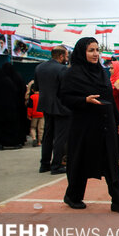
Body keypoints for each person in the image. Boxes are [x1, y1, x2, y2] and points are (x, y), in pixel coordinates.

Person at [59, 37, 119, 214]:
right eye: (91, 50)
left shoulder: (101, 72)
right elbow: (64, 98)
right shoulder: (72, 74)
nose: (95, 54)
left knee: (111, 163)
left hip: (105, 124)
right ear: (82, 52)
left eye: (97, 50)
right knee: (79, 163)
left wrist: (118, 119)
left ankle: (117, 201)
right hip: (84, 126)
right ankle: (73, 196)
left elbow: (109, 98)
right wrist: (84, 100)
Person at [34, 46, 71, 174]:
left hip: (45, 105)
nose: (66, 59)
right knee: (60, 137)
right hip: (61, 106)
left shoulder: (39, 67)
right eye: (66, 56)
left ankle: (44, 164)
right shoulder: (62, 69)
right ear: (61, 56)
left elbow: (36, 87)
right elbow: (65, 88)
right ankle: (56, 165)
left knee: (47, 135)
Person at [0, 67, 21, 150]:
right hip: (9, 108)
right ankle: (13, 143)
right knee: (11, 126)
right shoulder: (7, 81)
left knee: (0, 127)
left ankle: (1, 144)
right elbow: (15, 91)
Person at [2, 62, 27, 146]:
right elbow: (23, 89)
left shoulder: (3, 78)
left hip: (5, 106)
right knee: (19, 123)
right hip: (19, 104)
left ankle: (6, 141)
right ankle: (20, 139)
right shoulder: (18, 76)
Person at [26, 82, 44, 147]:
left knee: (33, 127)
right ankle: (40, 141)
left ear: (32, 90)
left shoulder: (32, 97)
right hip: (42, 114)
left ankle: (34, 138)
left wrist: (29, 115)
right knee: (41, 128)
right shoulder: (42, 96)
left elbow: (30, 107)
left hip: (34, 115)